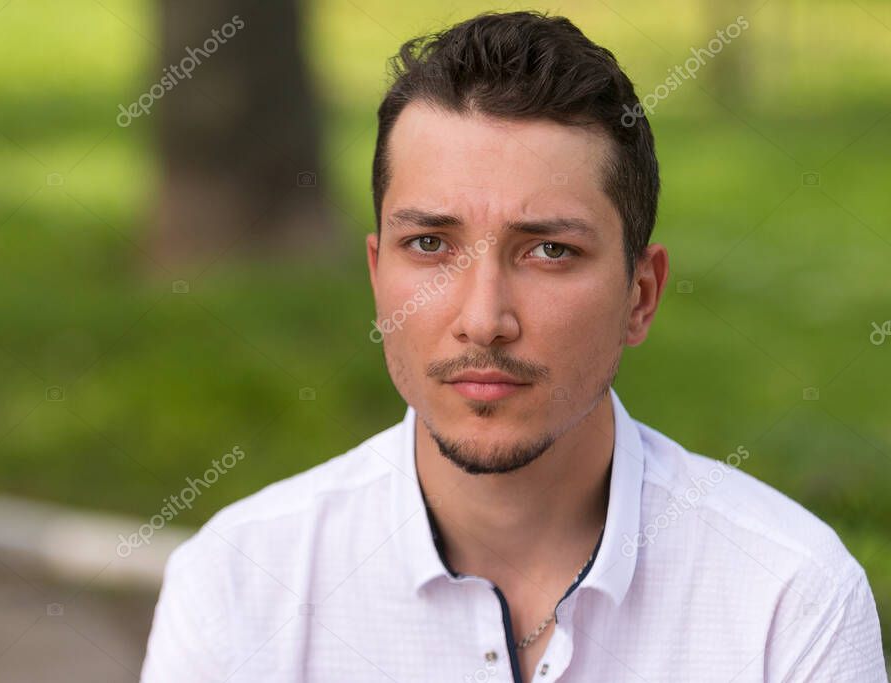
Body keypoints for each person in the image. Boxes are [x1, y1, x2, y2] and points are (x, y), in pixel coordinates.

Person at [140, 11, 886, 682]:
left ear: (641, 295)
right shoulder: (241, 582)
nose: (484, 319)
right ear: (376, 275)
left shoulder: (786, 599)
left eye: (550, 251)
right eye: (430, 243)